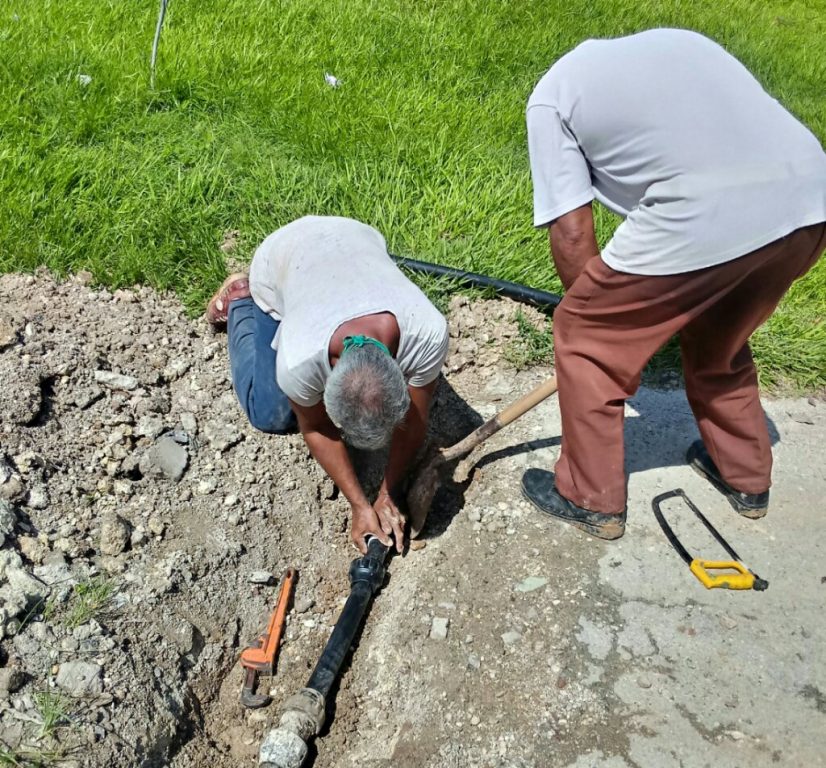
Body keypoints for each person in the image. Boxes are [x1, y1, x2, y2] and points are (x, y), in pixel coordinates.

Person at [521, 28, 826, 540]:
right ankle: (745, 476)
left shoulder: (550, 100)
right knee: (719, 336)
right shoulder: (682, 42)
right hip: (810, 199)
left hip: (707, 209)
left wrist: (612, 346)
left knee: (583, 331)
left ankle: (588, 494)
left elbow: (572, 235)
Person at [207, 216, 449, 553]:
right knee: (269, 413)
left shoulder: (427, 331)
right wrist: (359, 506)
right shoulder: (299, 357)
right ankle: (241, 302)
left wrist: (388, 494)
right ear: (326, 380)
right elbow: (317, 427)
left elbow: (415, 422)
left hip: (354, 236)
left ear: (398, 368)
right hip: (283, 256)